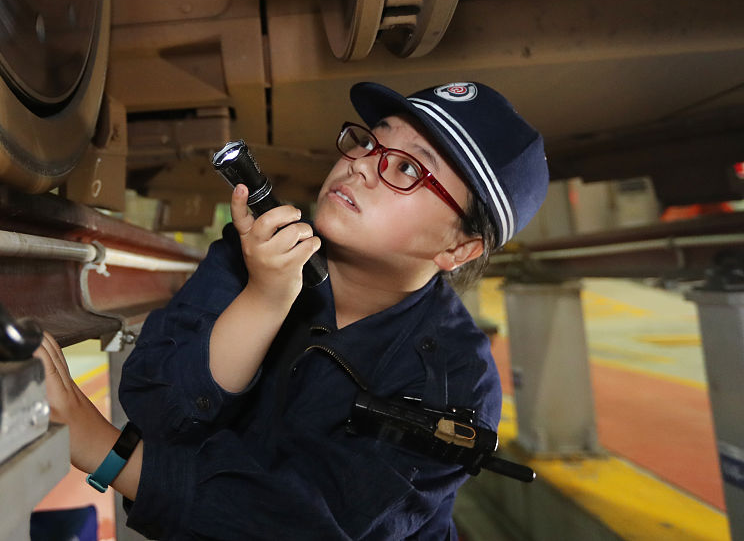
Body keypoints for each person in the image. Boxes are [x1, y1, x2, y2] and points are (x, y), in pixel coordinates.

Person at [35, 81, 549, 540]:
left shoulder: (454, 383)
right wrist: (265, 296)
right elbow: (159, 411)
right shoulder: (259, 250)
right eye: (372, 141)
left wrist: (106, 450)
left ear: (459, 250)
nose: (363, 165)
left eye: (409, 168)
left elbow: (303, 524)